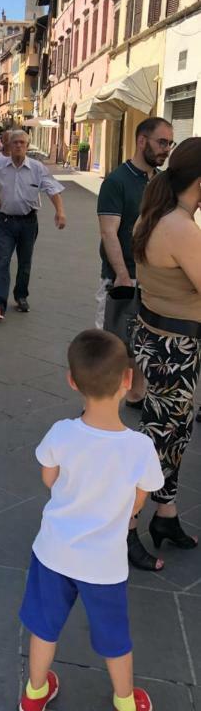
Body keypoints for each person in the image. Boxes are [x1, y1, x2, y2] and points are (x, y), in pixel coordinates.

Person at [18, 329, 163, 711]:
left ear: (71, 380)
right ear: (127, 381)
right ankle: (126, 707)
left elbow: (49, 479)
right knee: (115, 637)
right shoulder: (140, 448)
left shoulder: (62, 433)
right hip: (104, 564)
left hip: (54, 552)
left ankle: (33, 696)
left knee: (44, 628)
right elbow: (137, 503)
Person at [127, 137, 201, 570]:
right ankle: (126, 525)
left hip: (156, 339)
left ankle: (166, 514)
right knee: (159, 443)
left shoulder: (156, 215)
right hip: (174, 349)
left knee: (173, 435)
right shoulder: (179, 227)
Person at [96, 118, 175, 408]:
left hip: (153, 278)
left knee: (142, 342)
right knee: (113, 343)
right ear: (142, 141)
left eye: (169, 143)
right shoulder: (116, 181)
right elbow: (108, 231)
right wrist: (121, 275)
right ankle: (99, 401)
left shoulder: (160, 182)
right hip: (122, 277)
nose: (166, 149)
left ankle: (135, 394)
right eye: (161, 142)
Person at [0, 130, 66, 320]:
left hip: (28, 222)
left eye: (22, 143)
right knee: (3, 260)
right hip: (5, 222)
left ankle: (21, 295)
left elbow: (52, 189)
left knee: (25, 262)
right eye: (15, 142)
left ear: (27, 146)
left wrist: (60, 211)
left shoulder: (37, 168)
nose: (18, 145)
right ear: (9, 145)